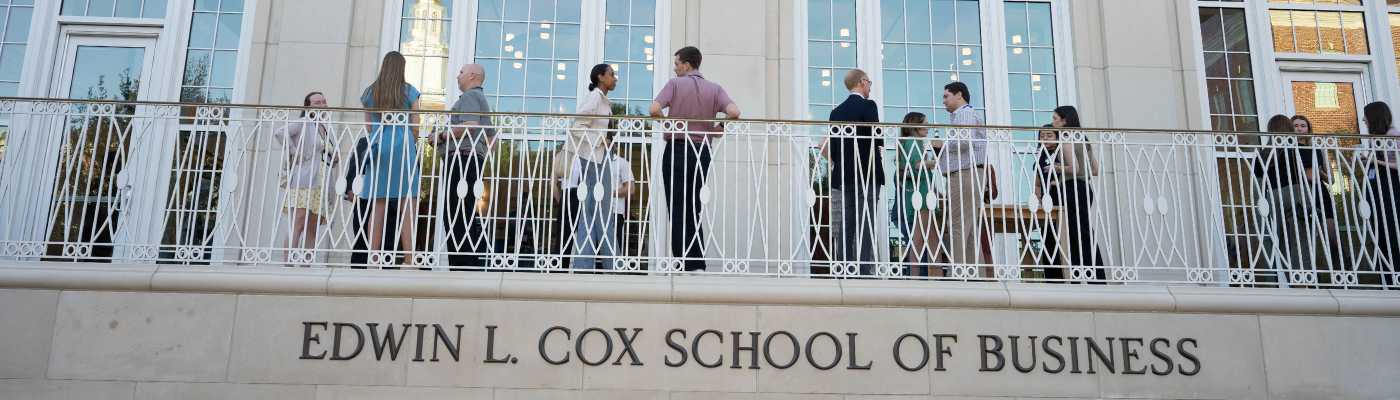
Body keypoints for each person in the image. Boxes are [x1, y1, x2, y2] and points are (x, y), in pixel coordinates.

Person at [648, 46, 741, 271]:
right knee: (694, 207)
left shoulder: (675, 84)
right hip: (702, 153)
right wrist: (717, 128)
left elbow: (654, 109)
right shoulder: (715, 88)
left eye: (676, 63)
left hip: (678, 148)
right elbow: (735, 112)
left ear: (686, 65)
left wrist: (670, 124)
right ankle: (697, 263)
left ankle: (681, 263)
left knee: (677, 206)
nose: (675, 67)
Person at [359, 51, 422, 269]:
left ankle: (373, 259)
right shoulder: (408, 91)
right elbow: (416, 127)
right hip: (402, 146)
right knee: (408, 204)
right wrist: (408, 140)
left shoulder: (369, 93)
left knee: (378, 204)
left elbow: (368, 127)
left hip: (379, 148)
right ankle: (409, 260)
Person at [433, 63, 497, 269]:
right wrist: (479, 158)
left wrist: (440, 136)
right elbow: (493, 140)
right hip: (470, 162)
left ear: (471, 76)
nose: (457, 76)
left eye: (460, 72)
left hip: (461, 161)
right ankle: (467, 264)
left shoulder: (470, 97)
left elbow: (471, 126)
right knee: (466, 212)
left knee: (455, 213)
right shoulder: (481, 100)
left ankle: (460, 265)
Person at [827, 69, 885, 276]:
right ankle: (862, 267)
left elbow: (833, 149)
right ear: (862, 82)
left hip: (845, 174)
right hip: (866, 171)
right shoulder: (868, 105)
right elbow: (877, 137)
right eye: (869, 82)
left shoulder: (836, 112)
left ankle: (844, 265)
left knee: (848, 220)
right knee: (866, 219)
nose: (870, 86)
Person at [1042, 107, 1107, 283]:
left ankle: (1084, 277)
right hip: (1084, 189)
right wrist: (1063, 180)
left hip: (1073, 191)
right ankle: (1096, 278)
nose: (1053, 121)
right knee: (1084, 233)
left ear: (1064, 120)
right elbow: (1094, 170)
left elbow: (1074, 168)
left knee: (1075, 235)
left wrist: (1057, 169)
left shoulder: (1065, 138)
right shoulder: (1082, 139)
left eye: (1055, 118)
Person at [273, 92, 337, 267]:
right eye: (317, 103)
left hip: (321, 185)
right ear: (308, 107)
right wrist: (295, 153)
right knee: (298, 225)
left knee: (313, 228)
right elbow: (280, 132)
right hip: (304, 182)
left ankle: (305, 269)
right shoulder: (304, 123)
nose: (322, 105)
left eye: (324, 102)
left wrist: (334, 157)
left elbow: (329, 157)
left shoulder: (327, 129)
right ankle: (289, 268)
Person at [934, 81, 990, 276]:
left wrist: (942, 145)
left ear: (959, 95)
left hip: (964, 174)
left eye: (945, 96)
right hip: (968, 173)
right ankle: (976, 276)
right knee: (969, 228)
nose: (943, 101)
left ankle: (956, 275)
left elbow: (964, 141)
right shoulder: (964, 114)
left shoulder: (964, 113)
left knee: (957, 224)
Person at [569, 64, 620, 270]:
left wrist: (605, 143)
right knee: (592, 213)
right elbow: (577, 127)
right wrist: (602, 141)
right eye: (612, 75)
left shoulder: (602, 99)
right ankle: (596, 267)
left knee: (598, 214)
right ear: (600, 77)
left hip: (598, 159)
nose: (615, 79)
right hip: (592, 160)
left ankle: (608, 266)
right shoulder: (595, 97)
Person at [1254, 114, 1312, 285]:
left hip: (1274, 196)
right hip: (1296, 192)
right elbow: (1309, 176)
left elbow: (1261, 182)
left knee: (1284, 242)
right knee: (1302, 241)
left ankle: (1293, 282)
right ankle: (1304, 283)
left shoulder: (1263, 153)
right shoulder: (1298, 148)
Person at [1292, 115, 1344, 273]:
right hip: (1300, 194)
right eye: (1295, 126)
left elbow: (1332, 180)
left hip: (1320, 192)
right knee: (1304, 243)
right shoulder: (1289, 149)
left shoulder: (1318, 148)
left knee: (1332, 240)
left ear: (1308, 128)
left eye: (1303, 125)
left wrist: (1320, 174)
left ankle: (1343, 278)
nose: (1300, 129)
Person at [897, 112, 942, 277]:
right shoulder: (912, 141)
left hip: (922, 194)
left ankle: (939, 279)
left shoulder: (911, 141)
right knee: (920, 239)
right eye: (925, 123)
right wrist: (936, 162)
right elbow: (916, 165)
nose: (928, 127)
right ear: (916, 125)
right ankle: (916, 280)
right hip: (921, 195)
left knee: (932, 239)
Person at [1360, 102, 1400, 285]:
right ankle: (1387, 280)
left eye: (1365, 115)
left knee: (1392, 232)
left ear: (1374, 116)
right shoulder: (1374, 138)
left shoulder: (1392, 136)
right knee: (1379, 234)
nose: (1363, 119)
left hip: (1390, 186)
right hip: (1376, 186)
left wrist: (1376, 162)